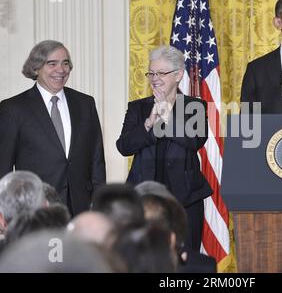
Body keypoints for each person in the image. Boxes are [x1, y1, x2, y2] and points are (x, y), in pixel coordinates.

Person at [116, 45, 212, 251]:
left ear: (178, 75)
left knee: (186, 260)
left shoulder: (195, 106)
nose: (154, 78)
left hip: (186, 199)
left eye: (160, 73)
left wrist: (168, 116)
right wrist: (149, 123)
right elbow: (124, 147)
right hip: (144, 198)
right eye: (151, 73)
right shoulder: (137, 107)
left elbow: (195, 141)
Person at [0, 40, 106, 216]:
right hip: (35, 208)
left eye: (65, 63)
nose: (61, 69)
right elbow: (3, 165)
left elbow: (96, 159)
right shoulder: (13, 109)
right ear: (36, 68)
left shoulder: (85, 103)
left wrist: (100, 203)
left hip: (81, 207)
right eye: (52, 63)